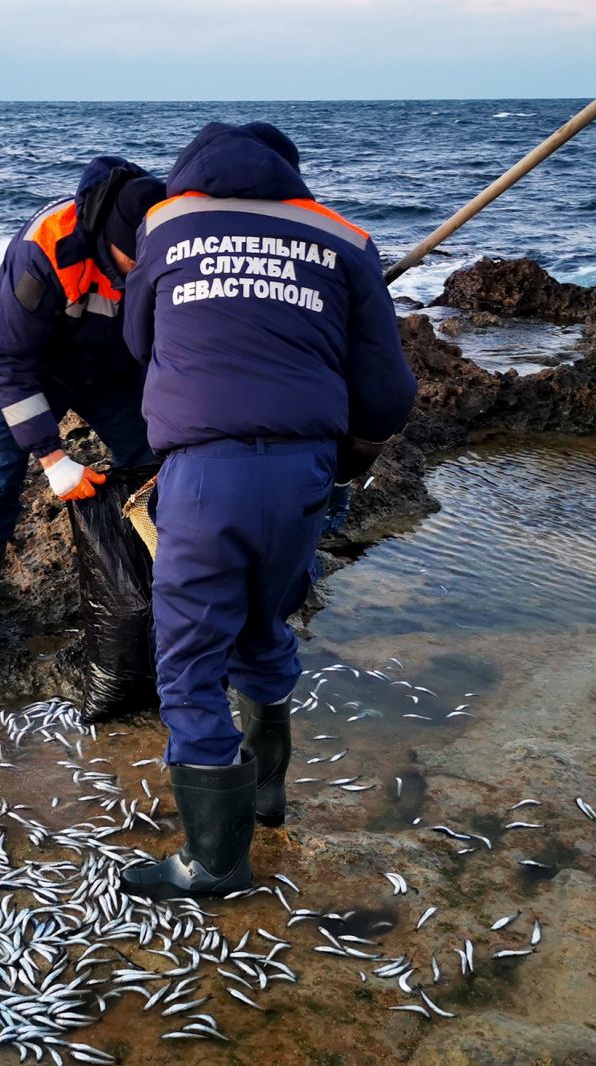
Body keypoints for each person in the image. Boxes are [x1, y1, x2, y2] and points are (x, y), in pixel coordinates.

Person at [119, 122, 418, 899]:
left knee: (187, 661)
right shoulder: (344, 239)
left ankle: (216, 860)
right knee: (265, 623)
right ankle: (266, 794)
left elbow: (136, 337)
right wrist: (344, 470)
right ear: (290, 171)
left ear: (191, 170)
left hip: (203, 472)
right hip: (302, 473)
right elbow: (388, 396)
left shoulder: (165, 225)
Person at [0, 158, 168, 660]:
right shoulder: (46, 249)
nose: (140, 271)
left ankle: (151, 585)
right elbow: (7, 362)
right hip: (36, 371)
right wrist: (53, 458)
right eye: (130, 260)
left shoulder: (165, 238)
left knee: (152, 462)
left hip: (115, 373)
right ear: (105, 237)